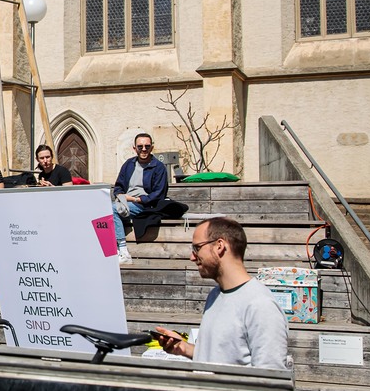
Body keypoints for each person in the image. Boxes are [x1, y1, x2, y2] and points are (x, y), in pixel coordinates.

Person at [152, 217, 292, 371]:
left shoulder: (261, 305)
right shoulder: (215, 295)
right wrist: (185, 348)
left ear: (219, 246)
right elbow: (222, 358)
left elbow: (271, 377)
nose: (192, 257)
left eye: (197, 248)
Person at [111, 133, 168, 264]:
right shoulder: (129, 164)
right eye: (140, 146)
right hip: (125, 202)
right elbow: (118, 186)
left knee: (112, 210)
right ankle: (112, 250)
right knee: (104, 210)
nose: (144, 149)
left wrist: (136, 199)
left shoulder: (158, 167)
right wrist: (120, 196)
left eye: (147, 146)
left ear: (152, 148)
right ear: (134, 148)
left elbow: (158, 193)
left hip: (145, 205)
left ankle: (123, 251)